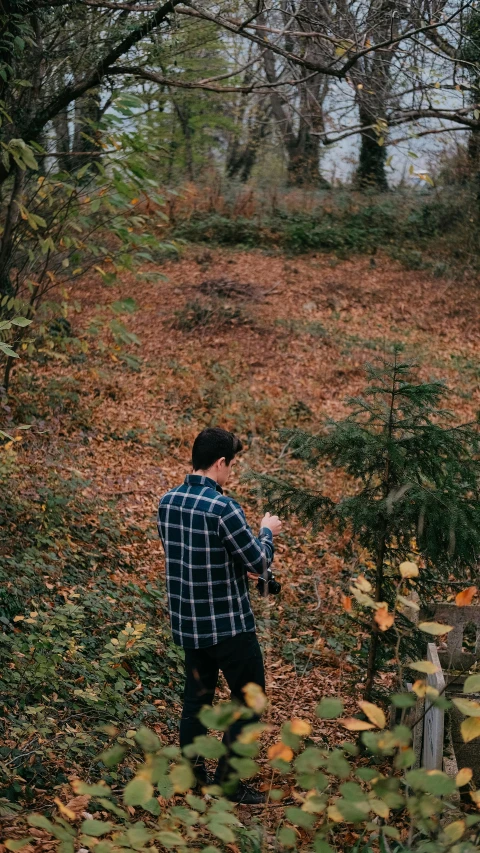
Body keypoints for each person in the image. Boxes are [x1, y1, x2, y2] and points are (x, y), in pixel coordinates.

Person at [157, 427, 282, 805]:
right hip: (228, 628)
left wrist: (232, 564)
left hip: (189, 624)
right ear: (220, 463)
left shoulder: (167, 501)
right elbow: (259, 562)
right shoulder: (223, 507)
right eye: (232, 465)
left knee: (196, 701)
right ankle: (228, 784)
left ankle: (192, 777)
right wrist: (267, 531)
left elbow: (191, 557)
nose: (231, 473)